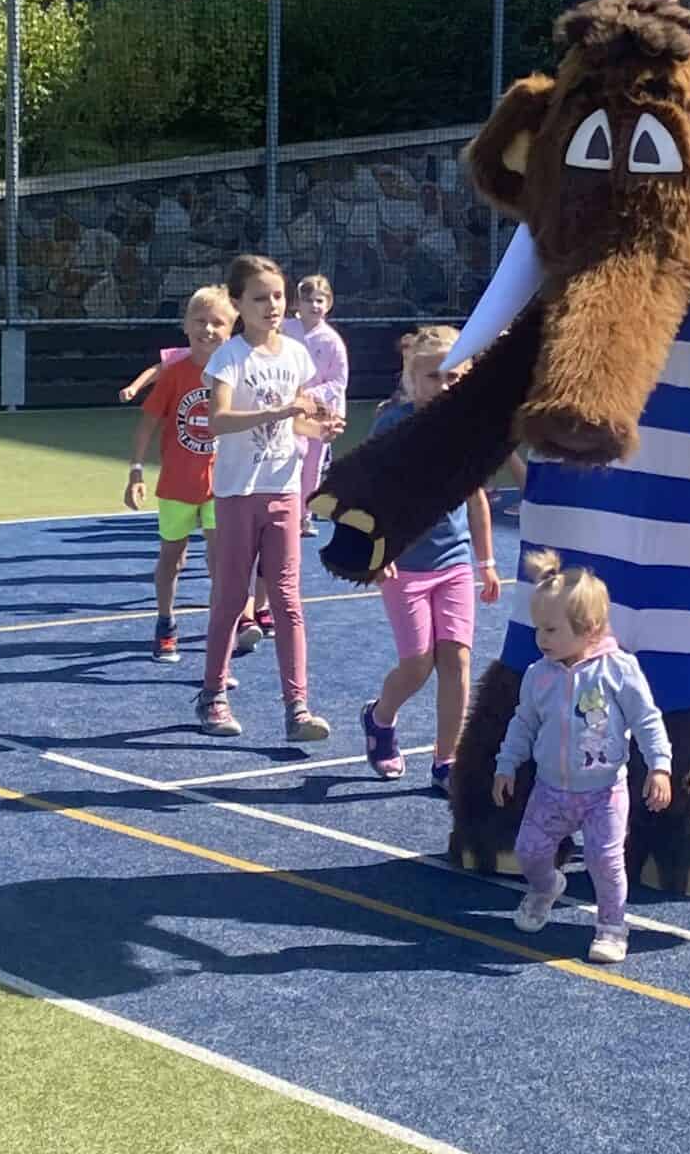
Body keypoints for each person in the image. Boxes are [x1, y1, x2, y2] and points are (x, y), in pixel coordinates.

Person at [491, 552, 673, 966]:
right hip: (549, 789)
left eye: (551, 629)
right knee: (528, 851)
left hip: (603, 792)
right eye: (538, 628)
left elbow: (646, 719)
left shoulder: (619, 670)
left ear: (589, 628)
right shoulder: (538, 675)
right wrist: (506, 764)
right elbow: (523, 722)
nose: (541, 638)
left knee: (604, 861)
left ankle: (612, 926)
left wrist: (659, 765)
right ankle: (545, 888)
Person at [195, 253, 336, 742]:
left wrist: (320, 427)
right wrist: (278, 412)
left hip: (284, 491)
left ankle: (297, 708)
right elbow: (218, 421)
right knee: (232, 596)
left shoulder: (296, 354)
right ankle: (213, 694)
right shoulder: (228, 358)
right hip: (238, 494)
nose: (273, 305)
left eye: (278, 296)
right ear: (237, 304)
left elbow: (298, 421)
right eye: (260, 298)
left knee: (287, 600)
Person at [359, 327, 503, 795]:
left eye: (454, 376)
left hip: (454, 562)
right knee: (417, 664)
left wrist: (485, 561)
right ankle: (380, 718)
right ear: (411, 378)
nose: (444, 386)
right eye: (434, 376)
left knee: (457, 660)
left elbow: (476, 498)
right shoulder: (392, 425)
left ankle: (447, 760)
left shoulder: (470, 428)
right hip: (404, 566)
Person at [122, 284, 233, 663]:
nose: (208, 329)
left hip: (223, 487)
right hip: (176, 486)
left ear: (231, 329)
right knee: (172, 558)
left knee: (221, 562)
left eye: (217, 322)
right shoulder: (173, 375)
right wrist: (136, 472)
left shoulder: (237, 374)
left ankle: (220, 631)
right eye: (199, 321)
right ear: (185, 326)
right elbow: (147, 425)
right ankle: (165, 623)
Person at [285, 274, 349, 539]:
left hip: (321, 414)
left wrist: (310, 396)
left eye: (320, 300)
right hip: (287, 411)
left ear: (329, 304)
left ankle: (304, 517)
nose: (314, 306)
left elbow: (339, 381)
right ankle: (285, 513)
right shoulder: (284, 330)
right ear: (296, 303)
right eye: (308, 300)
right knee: (288, 461)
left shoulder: (332, 341)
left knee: (312, 465)